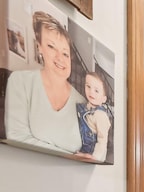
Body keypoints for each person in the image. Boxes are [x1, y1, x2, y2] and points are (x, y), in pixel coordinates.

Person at [4, 11, 85, 155]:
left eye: (65, 53)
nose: (60, 58)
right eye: (51, 46)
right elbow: (17, 136)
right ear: (39, 47)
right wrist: (71, 157)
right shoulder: (20, 81)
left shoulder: (82, 102)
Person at [75, 72, 112, 163]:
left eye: (96, 91)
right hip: (83, 146)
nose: (91, 92)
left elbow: (102, 140)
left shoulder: (101, 115)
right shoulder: (86, 106)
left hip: (92, 152)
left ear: (103, 99)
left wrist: (94, 157)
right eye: (88, 86)